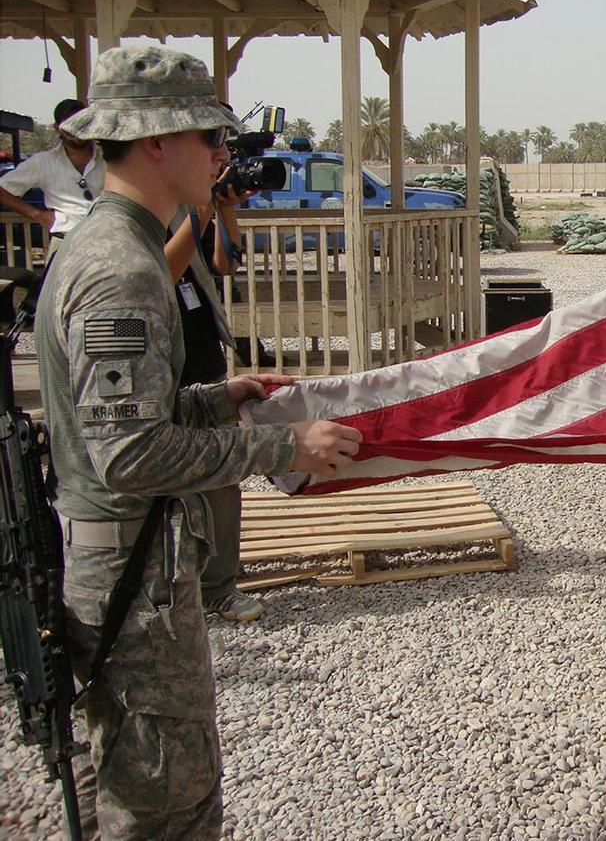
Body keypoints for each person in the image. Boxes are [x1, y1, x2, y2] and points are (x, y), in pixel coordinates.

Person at [36, 45, 362, 836]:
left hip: (128, 555)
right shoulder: (121, 268)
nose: (222, 156)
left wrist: (217, 398)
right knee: (165, 799)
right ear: (155, 142)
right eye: (208, 138)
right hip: (130, 569)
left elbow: (118, 416)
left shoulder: (117, 243)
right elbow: (131, 454)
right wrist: (286, 449)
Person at [164, 169, 265, 622]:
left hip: (205, 362)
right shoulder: (139, 223)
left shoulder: (191, 211)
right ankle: (171, 589)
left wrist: (225, 208)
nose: (220, 159)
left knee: (223, 483)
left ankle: (220, 586)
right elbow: (161, 272)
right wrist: (205, 205)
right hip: (165, 371)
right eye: (213, 147)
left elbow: (225, 264)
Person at [0, 98, 106, 259]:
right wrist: (37, 215)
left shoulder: (111, 159)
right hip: (64, 241)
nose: (76, 129)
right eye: (69, 122)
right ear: (57, 128)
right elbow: (3, 190)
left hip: (107, 240)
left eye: (81, 122)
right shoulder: (43, 162)